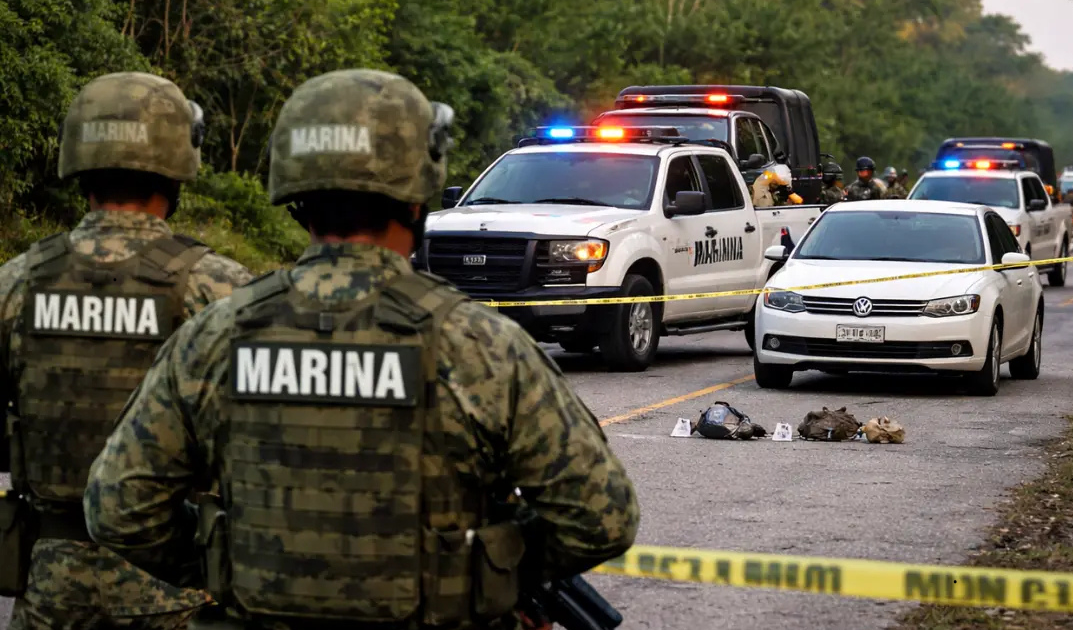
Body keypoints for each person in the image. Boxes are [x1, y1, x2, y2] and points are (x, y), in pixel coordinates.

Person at [83, 69, 640, 630]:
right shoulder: (481, 345)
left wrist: (228, 567)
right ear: (420, 189)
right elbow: (601, 517)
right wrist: (478, 575)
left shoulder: (216, 335)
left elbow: (118, 508)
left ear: (294, 188)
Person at [0, 72, 253, 629]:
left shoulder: (18, 283)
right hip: (176, 592)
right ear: (177, 162)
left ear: (78, 160)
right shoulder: (218, 288)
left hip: (51, 586)